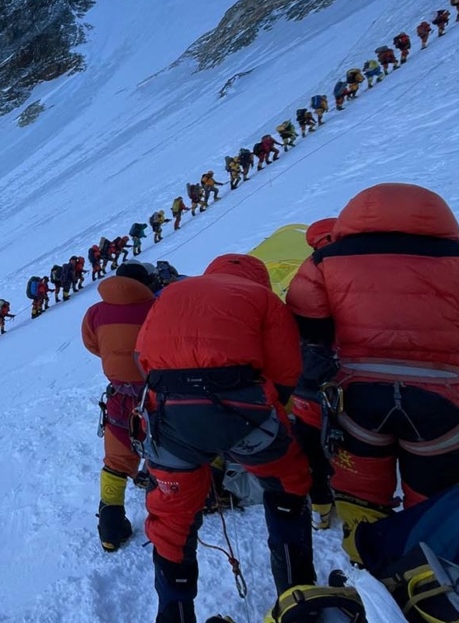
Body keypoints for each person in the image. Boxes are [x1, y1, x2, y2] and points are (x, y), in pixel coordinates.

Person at [286, 183, 459, 563]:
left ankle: (367, 565)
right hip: (440, 398)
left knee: (360, 492)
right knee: (435, 496)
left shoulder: (326, 261)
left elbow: (309, 330)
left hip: (356, 398)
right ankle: (431, 569)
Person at [136, 254, 313, 622]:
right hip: (242, 408)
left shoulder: (172, 293)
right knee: (288, 482)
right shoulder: (263, 299)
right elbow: (285, 373)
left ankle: (174, 612)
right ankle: (299, 593)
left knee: (171, 516)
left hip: (169, 415)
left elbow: (144, 357)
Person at [81, 260, 159, 552]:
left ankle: (110, 530)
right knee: (160, 447)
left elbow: (92, 345)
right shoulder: (156, 307)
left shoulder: (95, 312)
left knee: (115, 459)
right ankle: (163, 516)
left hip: (118, 395)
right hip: (154, 394)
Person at [288, 218, 339, 532]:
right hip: (362, 377)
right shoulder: (376, 265)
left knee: (311, 447)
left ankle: (320, 507)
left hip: (308, 380)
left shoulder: (307, 273)